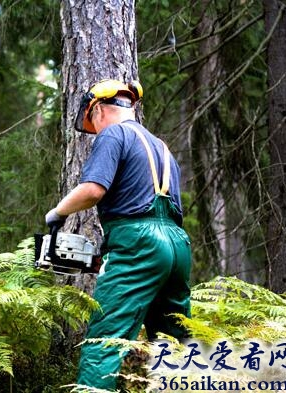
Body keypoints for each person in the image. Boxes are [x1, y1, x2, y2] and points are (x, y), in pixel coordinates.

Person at [44, 79, 192, 390]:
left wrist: (57, 213)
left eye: (91, 123)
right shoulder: (161, 147)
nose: (94, 131)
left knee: (104, 341)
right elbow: (157, 212)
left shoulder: (113, 134)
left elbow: (93, 190)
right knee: (174, 343)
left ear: (97, 110)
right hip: (178, 246)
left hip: (139, 243)